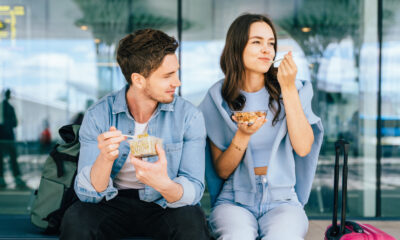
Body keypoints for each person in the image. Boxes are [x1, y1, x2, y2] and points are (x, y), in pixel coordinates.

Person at [60, 29, 210, 240]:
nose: (177, 82)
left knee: (192, 221)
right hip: (111, 202)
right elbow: (88, 195)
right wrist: (104, 159)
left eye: (176, 72)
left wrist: (162, 183)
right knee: (76, 219)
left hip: (164, 203)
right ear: (138, 80)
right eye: (168, 76)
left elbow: (194, 188)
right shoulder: (99, 115)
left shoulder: (189, 117)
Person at [199, 14, 324, 240]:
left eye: (271, 43)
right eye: (256, 42)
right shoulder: (217, 99)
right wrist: (242, 135)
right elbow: (222, 171)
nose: (267, 49)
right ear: (237, 47)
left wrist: (288, 89)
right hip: (234, 200)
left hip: (283, 200)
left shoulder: (294, 89)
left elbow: (304, 147)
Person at [0, 89, 27, 189]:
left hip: (1, 137)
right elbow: (15, 123)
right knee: (13, 159)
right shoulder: (11, 107)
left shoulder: (1, 106)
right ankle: (16, 178)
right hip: (9, 137)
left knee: (1, 160)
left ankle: (1, 179)